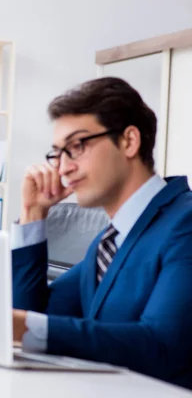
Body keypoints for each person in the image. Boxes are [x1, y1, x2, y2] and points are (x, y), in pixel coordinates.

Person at [11, 76, 192, 389]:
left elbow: (163, 345)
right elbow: (32, 315)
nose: (63, 168)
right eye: (58, 153)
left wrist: (25, 325)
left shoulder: (184, 223)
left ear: (129, 142)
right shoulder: (108, 242)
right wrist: (33, 214)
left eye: (77, 146)